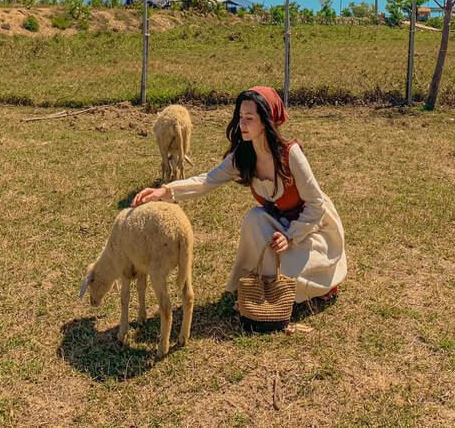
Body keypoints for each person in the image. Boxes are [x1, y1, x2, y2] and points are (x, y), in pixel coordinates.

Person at [132, 86, 347, 303]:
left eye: (250, 118)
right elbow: (206, 180)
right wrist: (165, 191)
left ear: (266, 121)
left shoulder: (290, 155)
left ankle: (320, 281)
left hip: (311, 225)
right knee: (254, 219)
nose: (242, 124)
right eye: (240, 117)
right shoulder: (243, 156)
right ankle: (262, 281)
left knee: (291, 275)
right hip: (279, 223)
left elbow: (316, 204)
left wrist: (290, 236)